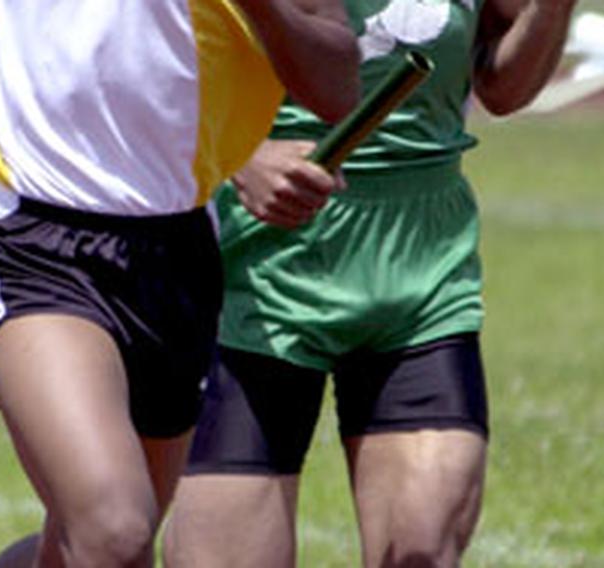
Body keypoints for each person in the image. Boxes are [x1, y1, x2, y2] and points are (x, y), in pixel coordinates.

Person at [0, 1, 361, 566]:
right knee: (114, 532)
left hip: (177, 256)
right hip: (31, 238)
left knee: (83, 548)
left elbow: (337, 86)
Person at [164, 0, 578, 566]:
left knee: (421, 550)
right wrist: (240, 156)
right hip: (248, 281)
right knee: (117, 543)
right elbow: (125, 68)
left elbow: (502, 87)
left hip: (420, 276)